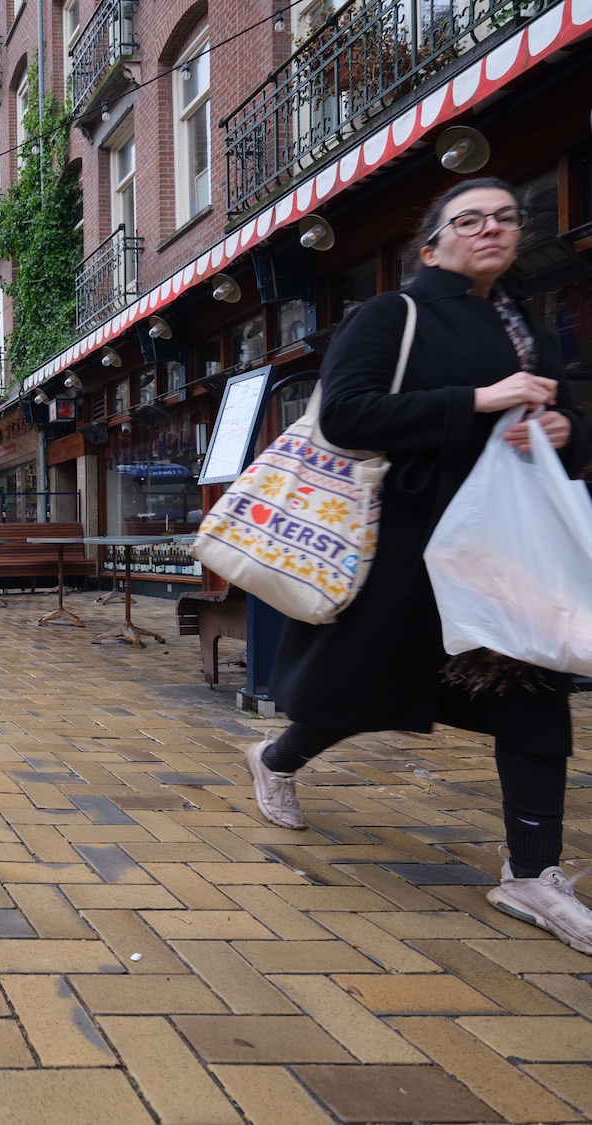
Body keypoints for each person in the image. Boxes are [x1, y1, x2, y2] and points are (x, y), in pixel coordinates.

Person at [244, 178, 592, 954]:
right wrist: (475, 399)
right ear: (431, 244)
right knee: (361, 689)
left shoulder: (521, 324)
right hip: (407, 546)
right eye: (469, 219)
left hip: (504, 549)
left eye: (506, 217)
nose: (492, 229)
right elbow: (347, 413)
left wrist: (565, 428)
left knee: (533, 692)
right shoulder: (390, 313)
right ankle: (273, 757)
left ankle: (532, 872)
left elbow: (566, 419)